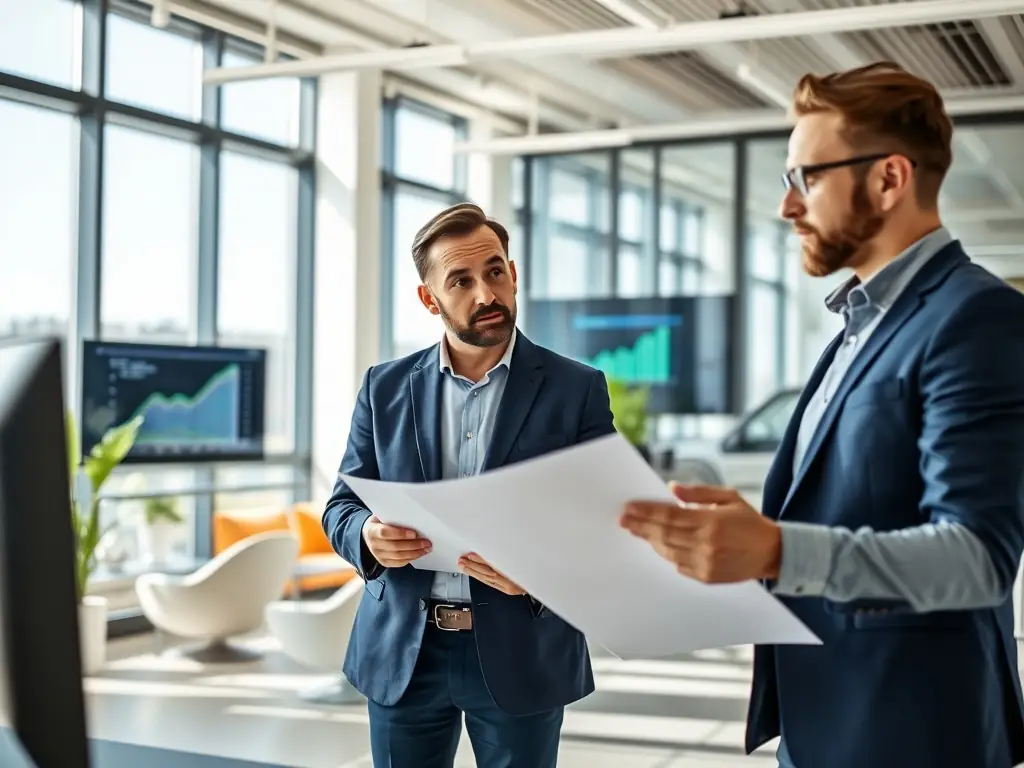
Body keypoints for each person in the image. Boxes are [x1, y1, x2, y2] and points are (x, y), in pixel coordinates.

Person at [620, 62, 1024, 768]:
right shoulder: (855, 327)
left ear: (888, 179)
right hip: (824, 723)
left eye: (806, 177)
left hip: (913, 734)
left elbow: (978, 555)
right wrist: (743, 538)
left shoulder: (977, 316)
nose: (787, 206)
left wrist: (777, 550)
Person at [322, 202, 615, 768]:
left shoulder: (575, 389)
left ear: (514, 273)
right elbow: (342, 506)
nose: (486, 294)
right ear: (429, 299)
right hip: (404, 651)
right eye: (461, 280)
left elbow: (605, 524)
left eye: (496, 271)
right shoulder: (383, 389)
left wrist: (534, 573)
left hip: (521, 648)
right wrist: (368, 536)